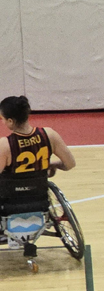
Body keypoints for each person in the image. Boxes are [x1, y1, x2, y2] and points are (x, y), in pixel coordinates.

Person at [1, 96, 76, 257]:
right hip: (39, 199)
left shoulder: (5, 145)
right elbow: (70, 164)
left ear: (10, 122)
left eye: (2, 119)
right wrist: (53, 165)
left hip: (10, 202)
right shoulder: (49, 135)